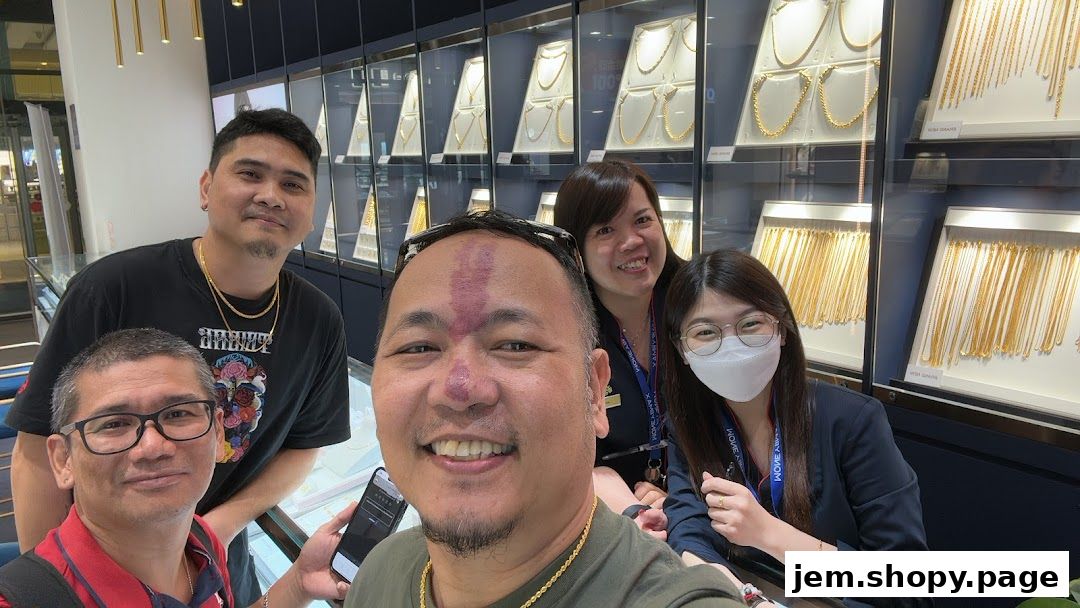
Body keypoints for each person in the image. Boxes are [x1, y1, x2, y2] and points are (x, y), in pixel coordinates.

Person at [6, 108, 350, 605]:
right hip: (103, 559)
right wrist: (48, 589)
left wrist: (218, 527)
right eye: (250, 174)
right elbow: (39, 447)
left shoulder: (318, 320)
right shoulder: (114, 288)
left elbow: (304, 444)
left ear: (311, 211)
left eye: (294, 185)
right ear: (207, 188)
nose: (271, 195)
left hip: (217, 557)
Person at [345, 211, 744, 607]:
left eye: (516, 345)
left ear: (594, 389)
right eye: (419, 347)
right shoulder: (379, 575)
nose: (459, 388)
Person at [0, 328, 350, 607]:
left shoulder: (199, 542)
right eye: (113, 424)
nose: (152, 447)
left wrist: (299, 583)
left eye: (179, 414)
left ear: (217, 431)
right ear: (64, 460)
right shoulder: (28, 599)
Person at [662, 249, 930, 607]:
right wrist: (740, 594)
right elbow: (687, 527)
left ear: (781, 328)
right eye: (705, 332)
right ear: (682, 349)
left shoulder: (851, 422)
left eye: (750, 324)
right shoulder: (689, 425)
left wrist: (771, 535)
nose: (732, 345)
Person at [553, 161, 683, 536]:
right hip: (603, 523)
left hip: (696, 510)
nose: (631, 241)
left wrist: (681, 496)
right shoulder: (565, 334)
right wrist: (631, 507)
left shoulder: (698, 308)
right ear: (575, 248)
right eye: (606, 229)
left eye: (642, 220)